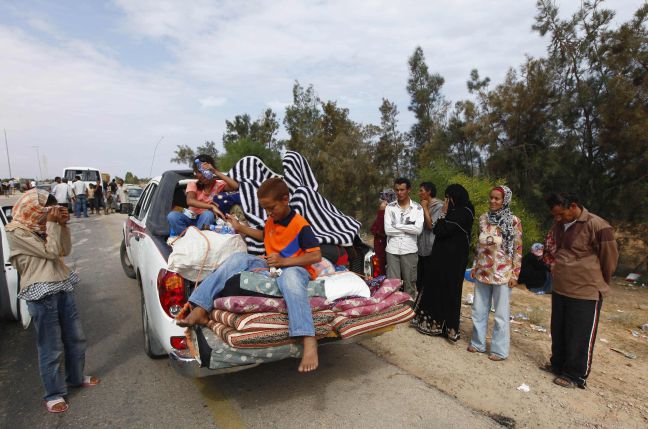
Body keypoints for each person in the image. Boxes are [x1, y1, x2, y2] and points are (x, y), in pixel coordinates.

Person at [176, 177, 321, 372]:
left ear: (285, 200)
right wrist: (240, 228)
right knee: (238, 259)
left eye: (272, 208)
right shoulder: (272, 219)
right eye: (266, 210)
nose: (269, 213)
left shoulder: (300, 225)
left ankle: (307, 338)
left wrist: (285, 262)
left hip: (294, 268)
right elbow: (264, 235)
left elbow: (316, 255)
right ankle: (200, 307)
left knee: (291, 278)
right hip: (272, 266)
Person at [5, 189, 100, 413]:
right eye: (47, 209)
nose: (50, 213)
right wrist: (52, 224)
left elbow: (64, 250)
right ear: (34, 209)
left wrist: (63, 225)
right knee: (51, 347)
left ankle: (76, 377)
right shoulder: (16, 231)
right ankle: (54, 393)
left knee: (76, 338)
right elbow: (51, 251)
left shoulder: (44, 227)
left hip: (62, 286)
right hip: (40, 293)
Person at [544, 193, 618, 389]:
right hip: (561, 287)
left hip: (586, 291)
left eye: (561, 214)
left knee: (579, 334)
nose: (557, 219)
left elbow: (609, 260)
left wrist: (598, 282)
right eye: (555, 215)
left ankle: (575, 375)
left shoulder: (598, 225)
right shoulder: (558, 224)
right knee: (558, 329)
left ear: (573, 206)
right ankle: (558, 365)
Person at [413, 184, 474, 342]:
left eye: (448, 198)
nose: (446, 201)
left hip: (452, 262)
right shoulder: (459, 212)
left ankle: (448, 327)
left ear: (455, 198)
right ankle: (436, 324)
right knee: (438, 288)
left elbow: (438, 230)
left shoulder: (462, 213)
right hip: (442, 259)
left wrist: (443, 213)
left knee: (449, 291)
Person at [469, 185, 522, 361]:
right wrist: (475, 265)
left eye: (497, 199)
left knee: (500, 314)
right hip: (483, 271)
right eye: (491, 198)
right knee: (478, 309)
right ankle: (478, 343)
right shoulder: (484, 219)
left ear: (505, 200)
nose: (493, 201)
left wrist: (515, 274)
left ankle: (499, 350)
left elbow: (517, 249)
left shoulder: (514, 221)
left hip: (503, 273)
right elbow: (479, 245)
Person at [167, 154, 238, 236]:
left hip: (206, 220)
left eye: (206, 170)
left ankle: (200, 238)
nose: (203, 174)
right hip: (191, 215)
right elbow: (190, 201)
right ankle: (187, 237)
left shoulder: (218, 185)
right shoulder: (193, 184)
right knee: (172, 216)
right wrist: (211, 206)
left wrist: (215, 172)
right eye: (200, 172)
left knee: (208, 214)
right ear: (196, 174)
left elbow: (235, 186)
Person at [383, 177, 424, 298]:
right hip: (392, 250)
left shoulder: (417, 208)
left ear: (409, 190)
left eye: (402, 190)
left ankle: (408, 314)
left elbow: (418, 230)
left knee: (410, 285)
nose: (399, 193)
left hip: (409, 250)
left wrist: (397, 225)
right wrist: (407, 228)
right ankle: (394, 314)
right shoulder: (390, 207)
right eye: (397, 190)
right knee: (391, 285)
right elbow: (388, 230)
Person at [415, 182, 444, 293]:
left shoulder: (439, 206)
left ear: (429, 191)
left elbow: (431, 226)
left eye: (421, 190)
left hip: (432, 250)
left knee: (430, 282)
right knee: (420, 281)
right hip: (420, 250)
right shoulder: (420, 206)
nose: (419, 193)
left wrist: (425, 208)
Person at [370, 198, 388, 276]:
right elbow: (374, 229)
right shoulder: (381, 214)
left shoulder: (383, 213)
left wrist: (382, 211)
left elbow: (380, 230)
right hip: (380, 245)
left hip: (384, 245)